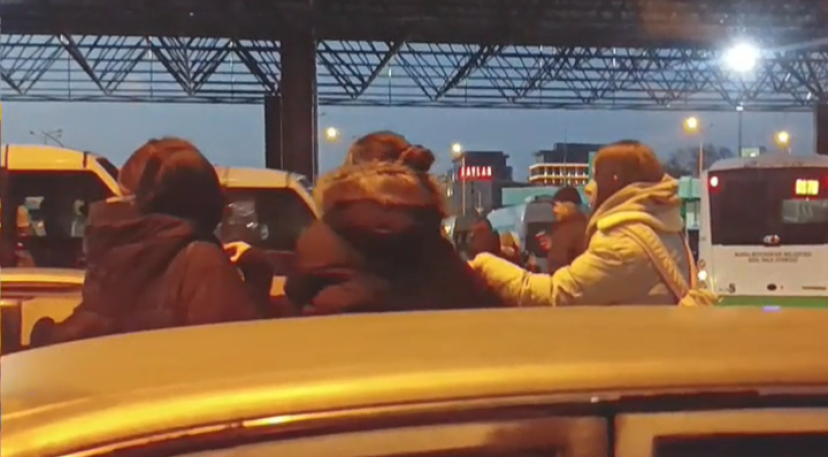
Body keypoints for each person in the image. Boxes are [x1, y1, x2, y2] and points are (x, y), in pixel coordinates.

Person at [31, 138, 263, 346]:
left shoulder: (115, 253)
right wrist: (257, 277)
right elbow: (237, 354)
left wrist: (42, 334)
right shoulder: (203, 262)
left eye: (124, 195)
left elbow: (89, 327)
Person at [285, 131, 504, 315]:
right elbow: (481, 302)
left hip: (335, 348)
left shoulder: (319, 240)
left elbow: (295, 292)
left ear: (347, 174)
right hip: (430, 350)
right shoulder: (437, 249)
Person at [468, 140, 695, 306]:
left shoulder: (621, 246)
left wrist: (486, 264)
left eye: (595, 177)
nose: (588, 188)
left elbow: (554, 294)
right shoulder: (664, 230)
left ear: (614, 180)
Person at [539, 186, 588, 273]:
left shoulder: (575, 230)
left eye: (556, 206)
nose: (554, 210)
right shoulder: (567, 228)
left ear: (567, 207)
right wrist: (553, 244)